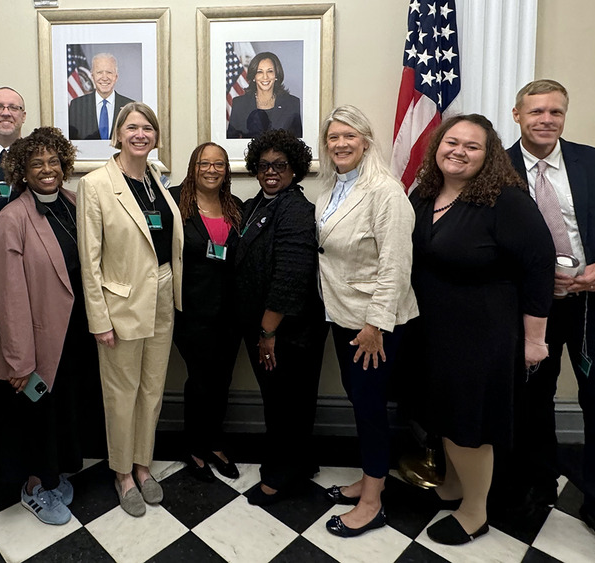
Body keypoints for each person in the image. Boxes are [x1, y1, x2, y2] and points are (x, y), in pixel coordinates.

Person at [507, 79, 595, 563]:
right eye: (537, 111)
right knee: (531, 402)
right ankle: (538, 486)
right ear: (517, 114)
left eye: (556, 112)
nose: (546, 119)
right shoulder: (496, 169)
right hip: (531, 310)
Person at [409, 114, 554, 545]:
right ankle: (453, 487)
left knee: (467, 423)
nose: (459, 151)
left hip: (482, 330)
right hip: (432, 327)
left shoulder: (506, 201)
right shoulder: (424, 194)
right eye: (451, 142)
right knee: (443, 415)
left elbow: (539, 267)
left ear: (488, 155)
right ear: (437, 146)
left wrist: (534, 340)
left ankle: (475, 512)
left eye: (472, 146)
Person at [314, 106, 418, 537]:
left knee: (371, 409)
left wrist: (375, 326)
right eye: (333, 137)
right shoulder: (331, 188)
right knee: (360, 403)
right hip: (341, 316)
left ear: (366, 141)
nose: (340, 143)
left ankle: (373, 503)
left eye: (348, 136)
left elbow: (395, 267)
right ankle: (368, 479)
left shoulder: (385, 192)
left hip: (372, 327)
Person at [0, 127, 97, 526]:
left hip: (73, 336)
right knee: (34, 418)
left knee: (62, 413)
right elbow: (8, 299)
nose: (47, 170)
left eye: (53, 162)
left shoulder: (72, 202)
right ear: (22, 171)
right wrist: (19, 362)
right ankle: (34, 487)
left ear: (65, 164)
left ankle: (53, 475)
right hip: (34, 345)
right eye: (37, 164)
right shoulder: (10, 220)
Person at [77, 102, 183, 517]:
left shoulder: (156, 178)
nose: (141, 134)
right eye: (133, 127)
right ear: (118, 133)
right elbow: (90, 260)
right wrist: (99, 319)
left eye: (148, 128)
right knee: (122, 394)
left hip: (161, 295)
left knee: (152, 390)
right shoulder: (97, 183)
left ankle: (143, 465)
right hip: (121, 304)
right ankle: (121, 473)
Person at [235, 129, 326, 506]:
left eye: (280, 165)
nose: (271, 171)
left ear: (296, 169)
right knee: (290, 400)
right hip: (269, 326)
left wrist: (267, 332)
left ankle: (277, 476)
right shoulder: (257, 203)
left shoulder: (295, 210)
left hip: (288, 331)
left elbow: (290, 277)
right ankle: (301, 462)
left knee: (284, 404)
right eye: (264, 165)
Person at [169, 143, 243, 482]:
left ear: (226, 170)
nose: (212, 170)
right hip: (191, 310)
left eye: (219, 164)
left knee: (222, 379)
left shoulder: (235, 207)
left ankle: (214, 442)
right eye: (204, 163)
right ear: (193, 166)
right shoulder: (174, 204)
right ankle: (194, 447)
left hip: (229, 312)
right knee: (200, 380)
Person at [227, 52, 302, 139]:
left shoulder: (292, 103)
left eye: (270, 71)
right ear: (254, 77)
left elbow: (298, 141)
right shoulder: (239, 104)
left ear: (276, 75)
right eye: (260, 72)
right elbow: (231, 141)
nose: (265, 77)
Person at [69, 53, 135, 141]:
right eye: (99, 72)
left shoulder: (130, 106)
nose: (104, 78)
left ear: (116, 77)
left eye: (109, 72)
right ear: (92, 76)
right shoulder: (77, 105)